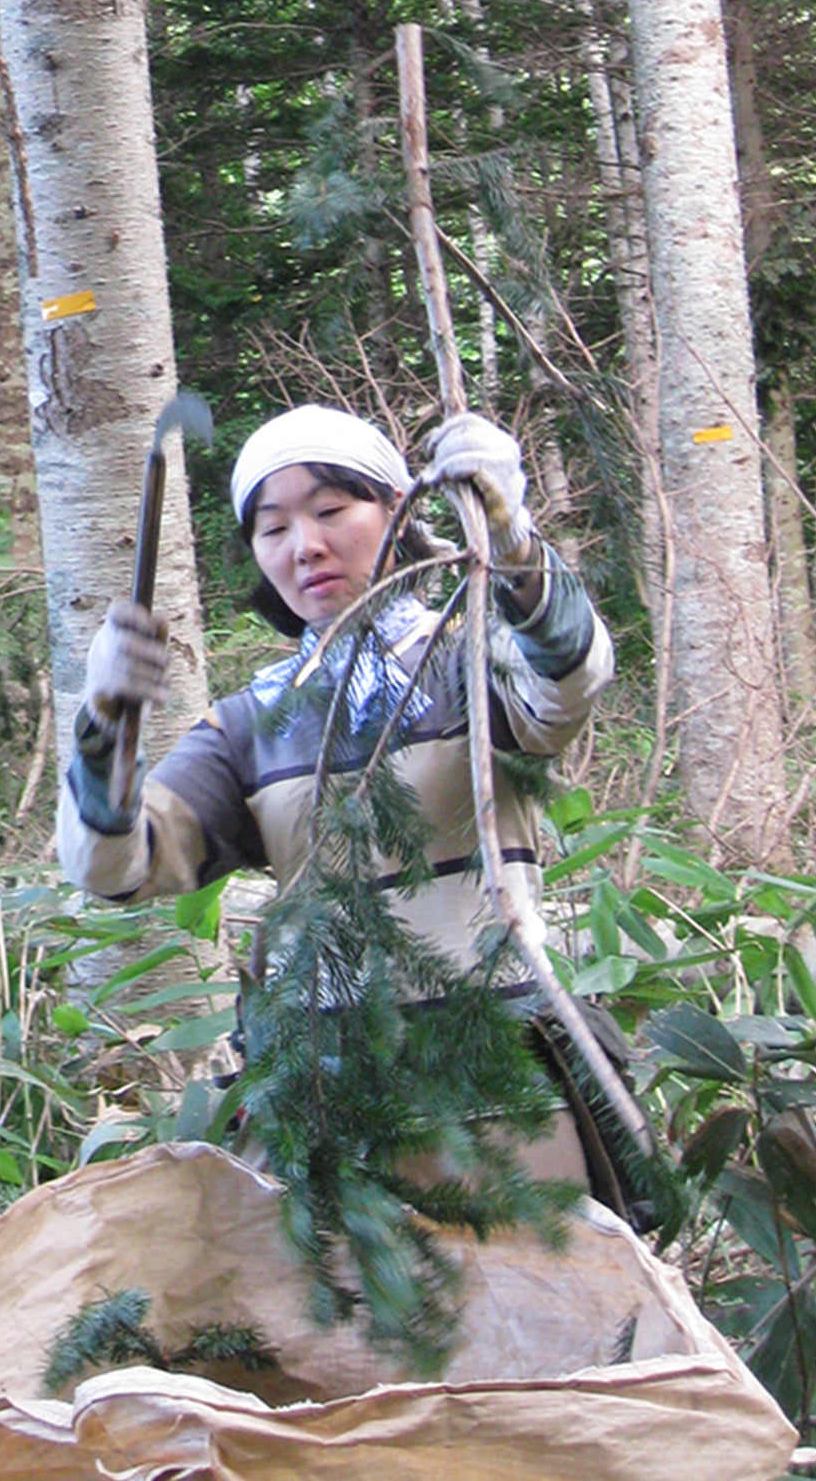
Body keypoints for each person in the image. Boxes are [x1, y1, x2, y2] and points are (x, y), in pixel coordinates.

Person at [58, 403, 617, 1193]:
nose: (305, 546)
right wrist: (105, 723)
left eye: (330, 510)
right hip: (328, 1116)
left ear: (396, 510)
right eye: (273, 527)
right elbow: (116, 868)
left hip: (500, 1106)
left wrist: (513, 538)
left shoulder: (471, 657)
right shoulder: (252, 723)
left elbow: (568, 679)